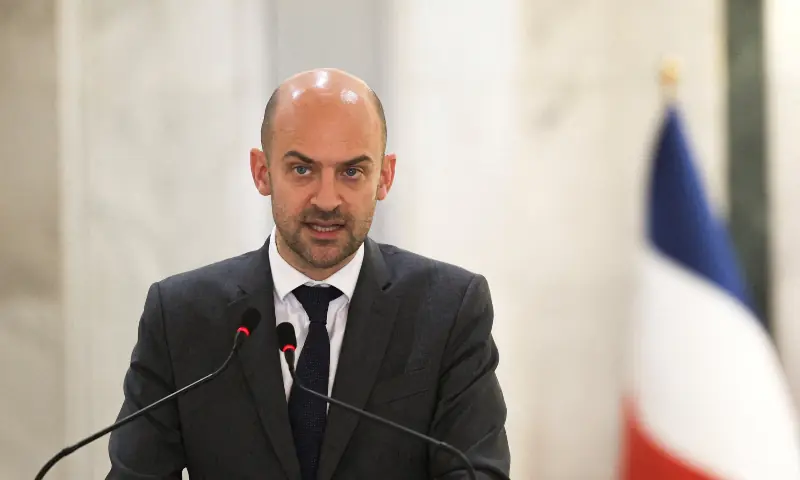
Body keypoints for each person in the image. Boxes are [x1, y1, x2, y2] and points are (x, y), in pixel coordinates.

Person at [107, 68, 510, 480]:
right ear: (262, 172)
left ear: (384, 177)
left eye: (351, 172)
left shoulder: (449, 311)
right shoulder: (181, 317)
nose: (327, 200)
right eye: (302, 170)